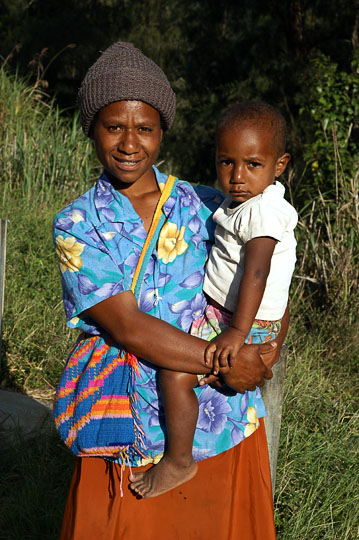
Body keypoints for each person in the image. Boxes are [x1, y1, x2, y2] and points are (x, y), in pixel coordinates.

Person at [53, 41, 287, 540]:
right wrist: (228, 359)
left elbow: (271, 267)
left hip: (219, 416)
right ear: (92, 128)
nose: (129, 143)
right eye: (113, 126)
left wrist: (266, 350)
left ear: (163, 133)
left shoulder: (207, 205)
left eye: (145, 128)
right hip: (129, 421)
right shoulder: (77, 225)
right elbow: (127, 326)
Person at [130, 101, 297, 499]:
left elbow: (259, 272)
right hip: (233, 316)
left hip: (241, 321)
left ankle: (179, 461)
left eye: (253, 164)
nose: (237, 176)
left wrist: (237, 333)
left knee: (175, 374)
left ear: (280, 165)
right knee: (197, 370)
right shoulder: (242, 203)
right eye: (227, 162)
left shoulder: (264, 212)